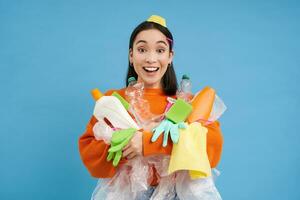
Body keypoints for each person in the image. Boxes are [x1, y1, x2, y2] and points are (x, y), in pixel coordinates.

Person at [78, 15, 223, 200]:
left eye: (160, 50)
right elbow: (90, 155)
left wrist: (146, 143)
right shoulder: (113, 101)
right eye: (142, 49)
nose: (151, 58)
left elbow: (211, 149)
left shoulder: (187, 103)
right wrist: (125, 147)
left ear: (170, 56)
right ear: (131, 55)